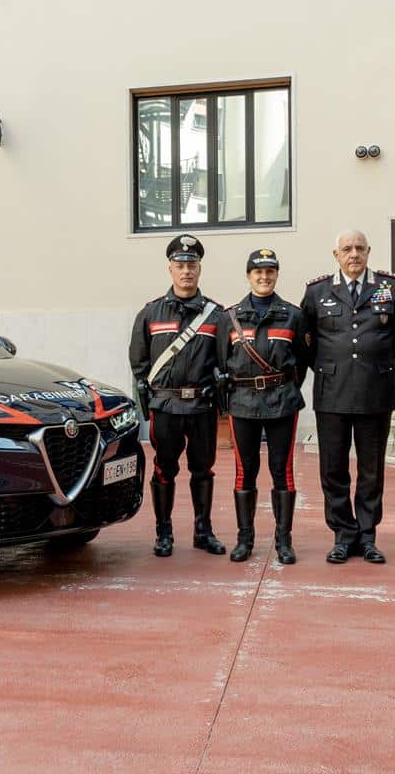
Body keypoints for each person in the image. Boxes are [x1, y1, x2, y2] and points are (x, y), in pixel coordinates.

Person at [300, 230, 395, 564]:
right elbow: (306, 341)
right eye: (346, 249)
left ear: (369, 251)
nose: (354, 254)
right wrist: (329, 369)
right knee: (333, 469)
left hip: (375, 392)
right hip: (332, 393)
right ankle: (343, 535)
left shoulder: (391, 288)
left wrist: (381, 366)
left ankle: (367, 536)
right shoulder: (317, 291)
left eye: (360, 248)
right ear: (336, 255)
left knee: (371, 469)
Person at [129, 234, 227, 557]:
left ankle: (203, 530)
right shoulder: (151, 314)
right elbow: (139, 363)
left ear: (200, 269)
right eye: (180, 264)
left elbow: (224, 360)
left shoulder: (216, 315)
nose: (187, 271)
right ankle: (164, 532)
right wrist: (146, 403)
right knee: (163, 469)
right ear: (170, 268)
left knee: (203, 469)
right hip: (166, 406)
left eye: (192, 265)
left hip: (201, 406)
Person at [215, 249, 307, 564]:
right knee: (245, 472)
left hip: (282, 400)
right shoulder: (230, 316)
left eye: (270, 272)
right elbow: (221, 360)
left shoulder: (293, 315)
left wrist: (284, 386)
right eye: (258, 272)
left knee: (282, 471)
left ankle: (284, 541)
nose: (264, 277)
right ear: (248, 276)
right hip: (242, 403)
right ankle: (245, 540)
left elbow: (302, 362)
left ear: (277, 275)